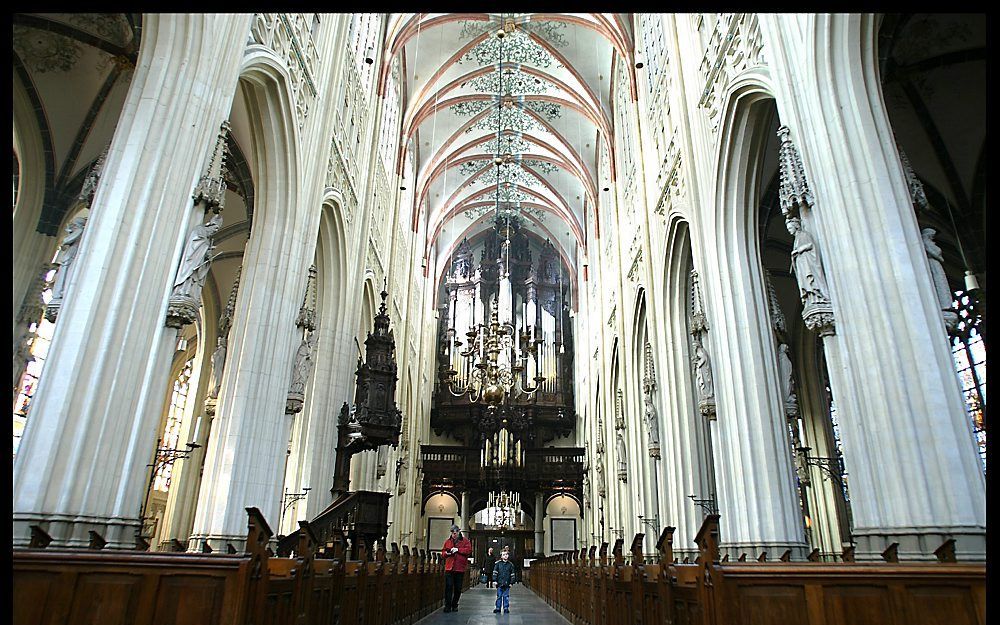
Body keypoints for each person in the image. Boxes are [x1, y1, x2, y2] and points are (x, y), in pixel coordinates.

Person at [441, 524, 472, 613]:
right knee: (448, 587)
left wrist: (458, 550)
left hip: (459, 568)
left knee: (458, 588)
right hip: (449, 568)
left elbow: (469, 551)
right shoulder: (448, 541)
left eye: (455, 533)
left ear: (459, 532)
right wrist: (447, 553)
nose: (454, 535)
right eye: (452, 533)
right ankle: (447, 606)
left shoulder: (465, 541)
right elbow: (443, 552)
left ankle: (455, 604)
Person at [492, 548, 516, 614]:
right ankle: (498, 608)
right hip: (499, 583)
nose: (505, 556)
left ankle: (506, 608)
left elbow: (512, 574)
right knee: (499, 596)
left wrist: (512, 582)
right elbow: (495, 572)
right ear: (501, 556)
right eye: (504, 555)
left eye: (506, 554)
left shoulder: (510, 565)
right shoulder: (498, 564)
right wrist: (494, 580)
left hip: (507, 583)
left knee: (506, 596)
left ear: (508, 555)